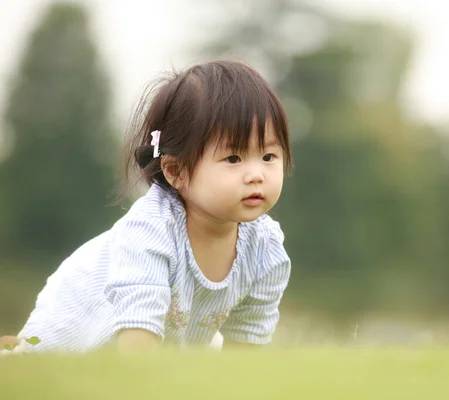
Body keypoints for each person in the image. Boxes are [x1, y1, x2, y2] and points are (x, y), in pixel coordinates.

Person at [1, 60, 293, 354]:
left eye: (268, 156)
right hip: (71, 339)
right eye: (233, 159)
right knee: (28, 363)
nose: (257, 174)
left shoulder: (266, 246)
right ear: (176, 172)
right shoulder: (152, 229)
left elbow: (246, 351)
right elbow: (137, 348)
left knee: (210, 356)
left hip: (167, 351)